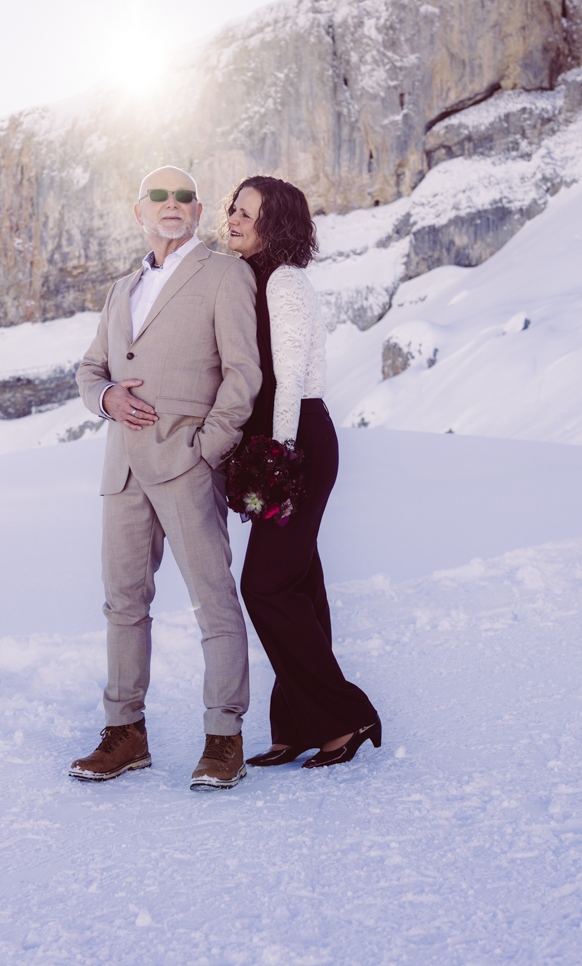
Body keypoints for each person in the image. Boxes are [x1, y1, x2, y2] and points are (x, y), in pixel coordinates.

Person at [70, 166, 262, 791]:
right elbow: (90, 368)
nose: (172, 205)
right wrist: (106, 400)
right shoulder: (120, 288)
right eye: (160, 196)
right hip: (122, 467)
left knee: (213, 600)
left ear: (199, 209)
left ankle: (223, 737)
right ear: (139, 211)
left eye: (184, 196)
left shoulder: (225, 274)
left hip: (187, 463)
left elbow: (243, 375)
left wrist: (206, 451)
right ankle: (124, 734)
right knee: (123, 603)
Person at [221, 175, 382, 770]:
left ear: (277, 223)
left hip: (298, 441)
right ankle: (297, 724)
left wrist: (277, 461)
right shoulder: (252, 277)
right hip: (280, 438)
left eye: (247, 212)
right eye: (232, 208)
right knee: (299, 586)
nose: (233, 219)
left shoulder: (284, 283)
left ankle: (345, 715)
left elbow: (288, 381)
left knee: (263, 586)